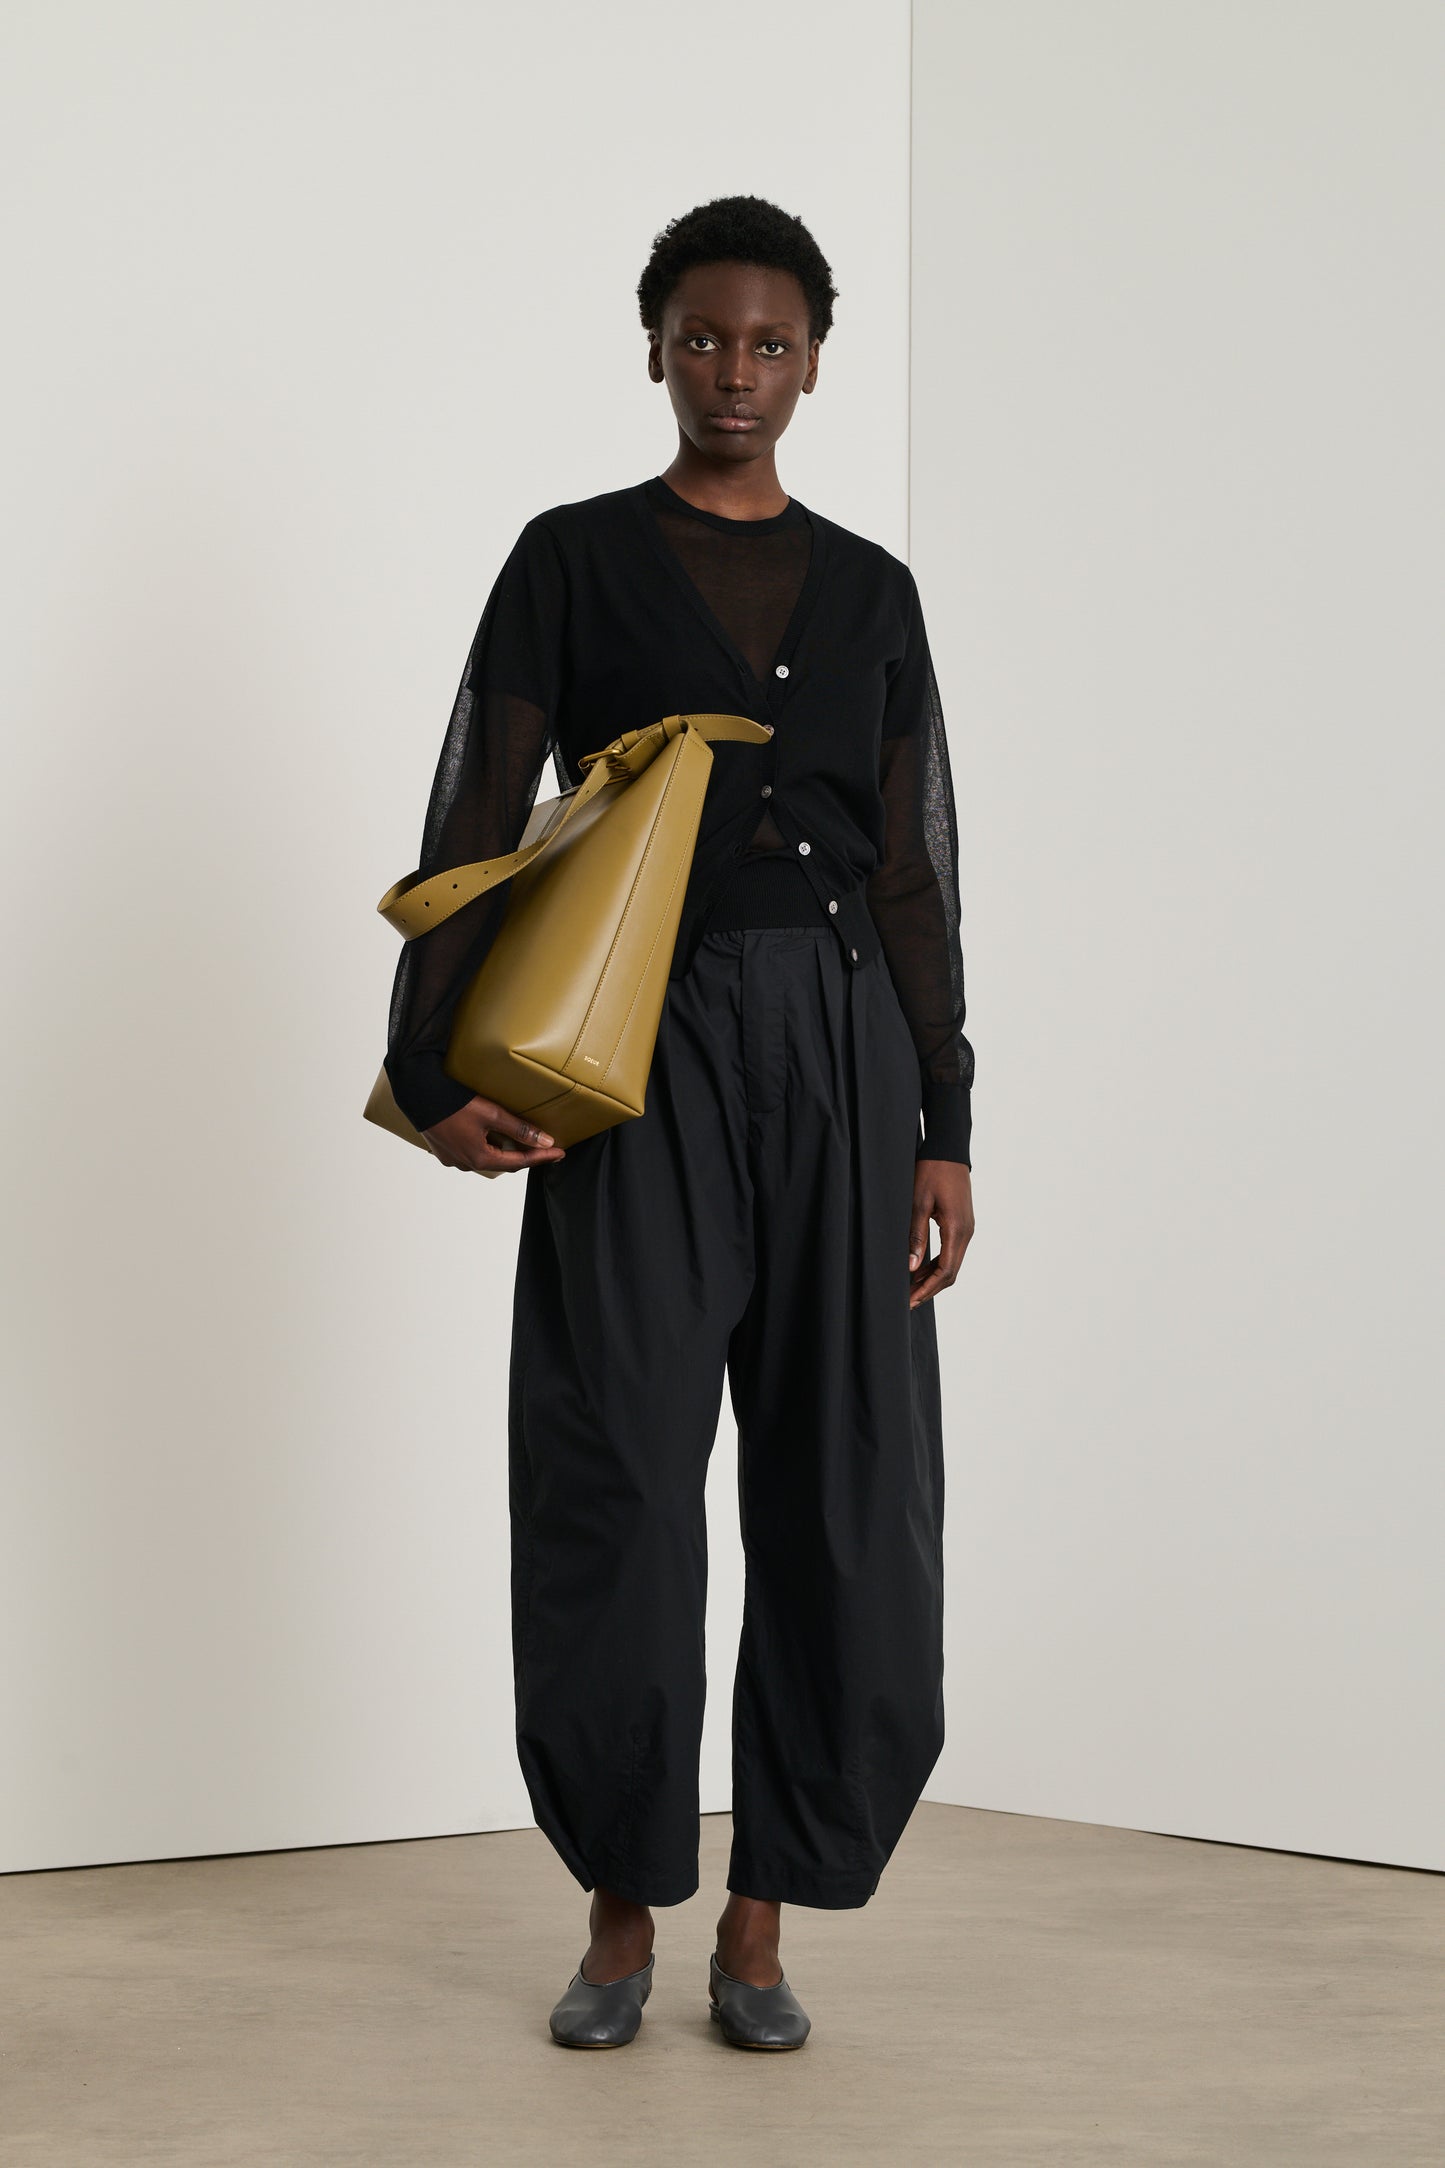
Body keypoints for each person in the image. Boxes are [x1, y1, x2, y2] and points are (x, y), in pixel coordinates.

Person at [383, 195, 976, 2051]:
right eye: (704, 337)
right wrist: (431, 1073)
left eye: (771, 343)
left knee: (842, 1490)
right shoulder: (568, 560)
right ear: (653, 347)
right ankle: (622, 1910)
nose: (736, 371)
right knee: (618, 1474)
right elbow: (478, 814)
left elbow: (910, 873)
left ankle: (763, 1924)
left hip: (845, 1050)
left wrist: (944, 1123)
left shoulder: (871, 591)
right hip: (635, 1052)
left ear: (815, 364)